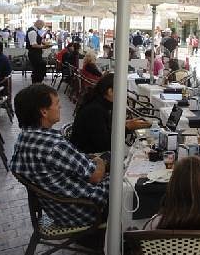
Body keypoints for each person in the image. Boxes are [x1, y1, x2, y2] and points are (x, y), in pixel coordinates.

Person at [10, 84, 109, 227]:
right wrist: (101, 160)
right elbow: (96, 176)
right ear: (44, 111)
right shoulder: (54, 146)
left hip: (59, 209)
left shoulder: (24, 138)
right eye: (57, 104)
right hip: (85, 211)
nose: (60, 107)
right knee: (133, 183)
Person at [71, 74, 150, 154]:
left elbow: (105, 127)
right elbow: (105, 144)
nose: (125, 95)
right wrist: (127, 128)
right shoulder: (95, 110)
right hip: (88, 157)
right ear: (110, 91)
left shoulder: (99, 103)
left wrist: (127, 123)